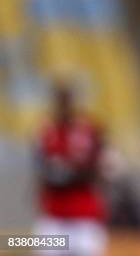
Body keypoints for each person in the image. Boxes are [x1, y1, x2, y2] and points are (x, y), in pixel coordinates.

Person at [33, 83, 107, 256]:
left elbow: (98, 170)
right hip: (54, 216)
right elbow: (42, 170)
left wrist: (66, 175)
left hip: (84, 216)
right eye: (60, 100)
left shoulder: (90, 130)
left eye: (67, 100)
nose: (63, 105)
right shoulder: (46, 132)